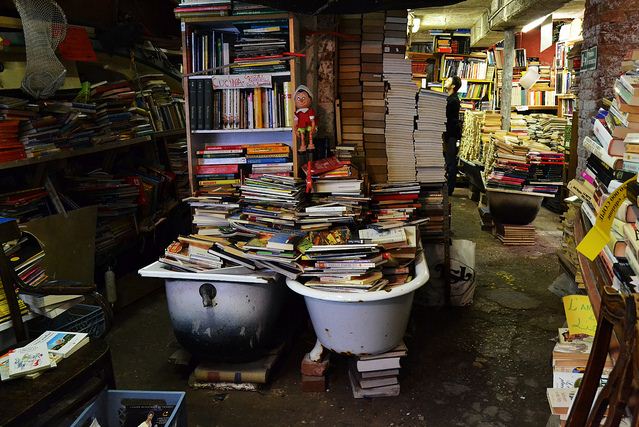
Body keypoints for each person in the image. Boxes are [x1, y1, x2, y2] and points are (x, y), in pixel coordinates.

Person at [444, 76, 462, 196]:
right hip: (448, 133)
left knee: (450, 162)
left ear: (453, 86)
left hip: (451, 134)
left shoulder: (453, 100)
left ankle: (450, 189)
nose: (446, 81)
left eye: (449, 80)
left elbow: (449, 118)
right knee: (448, 161)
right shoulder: (449, 98)